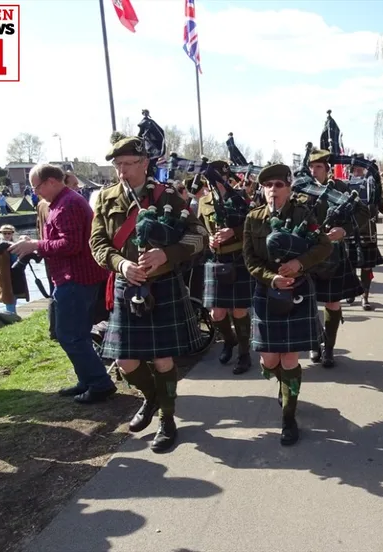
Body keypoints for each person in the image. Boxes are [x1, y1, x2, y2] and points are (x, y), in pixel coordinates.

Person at [90, 136, 208, 452]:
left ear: (144, 163)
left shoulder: (167, 195)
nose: (122, 172)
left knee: (163, 358)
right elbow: (97, 244)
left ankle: (167, 420)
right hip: (126, 285)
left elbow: (199, 236)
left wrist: (167, 254)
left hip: (163, 284)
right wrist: (121, 263)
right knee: (126, 361)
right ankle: (152, 396)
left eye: (128, 164)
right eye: (117, 165)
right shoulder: (105, 198)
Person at [10, 164, 117, 405]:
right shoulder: (64, 202)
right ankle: (88, 380)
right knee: (71, 333)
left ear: (50, 182)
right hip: (73, 278)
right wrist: (37, 243)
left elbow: (71, 245)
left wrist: (37, 245)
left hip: (77, 279)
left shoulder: (68, 204)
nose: (35, 192)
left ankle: (100, 383)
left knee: (71, 335)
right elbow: (64, 241)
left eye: (36, 187)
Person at [243, 163, 332, 445]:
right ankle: (281, 383)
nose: (273, 191)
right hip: (267, 291)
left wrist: (299, 263)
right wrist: (272, 278)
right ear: (262, 190)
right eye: (268, 186)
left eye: (278, 185)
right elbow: (250, 261)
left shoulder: (303, 213)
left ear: (288, 188)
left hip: (298, 289)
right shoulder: (253, 219)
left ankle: (288, 417)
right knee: (270, 360)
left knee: (290, 358)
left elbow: (324, 246)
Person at [305, 149, 370, 368]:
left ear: (327, 168)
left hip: (333, 254)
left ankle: (329, 348)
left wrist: (344, 230)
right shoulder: (302, 190)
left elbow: (363, 213)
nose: (315, 171)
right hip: (307, 253)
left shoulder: (340, 189)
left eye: (319, 167)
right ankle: (315, 343)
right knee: (308, 302)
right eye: (312, 167)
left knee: (332, 303)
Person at [197, 163, 254, 375]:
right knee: (216, 313)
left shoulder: (239, 199)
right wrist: (208, 239)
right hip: (216, 259)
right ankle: (229, 341)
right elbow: (198, 228)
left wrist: (233, 232)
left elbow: (253, 224)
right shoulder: (203, 201)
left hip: (238, 257)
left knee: (239, 309)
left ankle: (245, 353)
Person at [345, 155, 383, 311]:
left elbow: (381, 204)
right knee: (350, 266)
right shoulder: (346, 185)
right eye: (355, 168)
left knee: (367, 267)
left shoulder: (372, 185)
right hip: (349, 230)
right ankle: (351, 291)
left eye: (361, 167)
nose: (358, 170)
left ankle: (365, 297)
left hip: (367, 230)